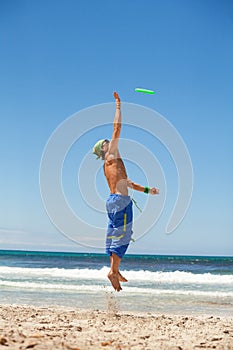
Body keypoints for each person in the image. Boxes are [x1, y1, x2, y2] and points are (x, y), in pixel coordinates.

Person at [93, 92, 159, 292]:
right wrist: (119, 106)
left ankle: (115, 269)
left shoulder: (112, 165)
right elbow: (117, 127)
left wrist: (148, 190)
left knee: (116, 233)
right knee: (123, 234)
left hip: (115, 200)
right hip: (120, 202)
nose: (110, 141)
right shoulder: (111, 155)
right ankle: (113, 271)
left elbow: (129, 183)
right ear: (104, 149)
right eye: (107, 142)